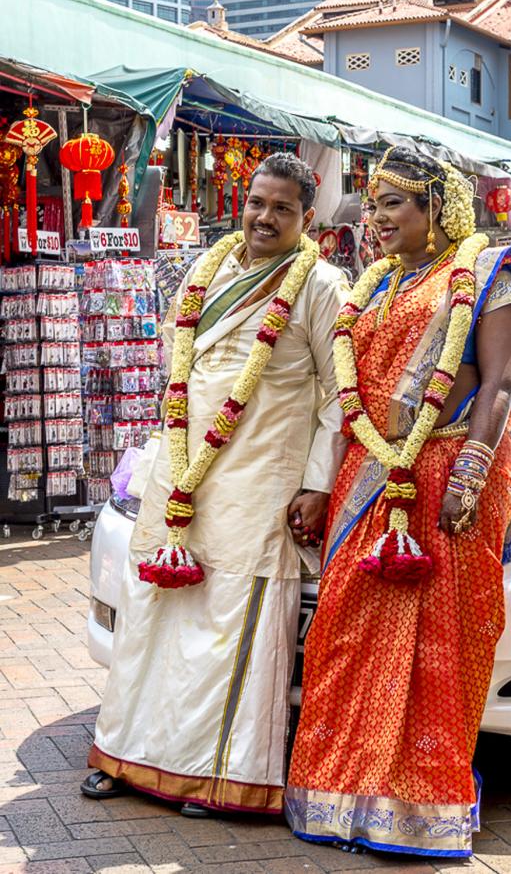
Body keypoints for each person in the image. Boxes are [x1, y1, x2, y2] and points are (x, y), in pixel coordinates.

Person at [285, 146, 511, 861]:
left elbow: (499, 384)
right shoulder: (377, 284)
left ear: (437, 206)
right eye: (372, 204)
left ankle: (418, 812)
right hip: (371, 476)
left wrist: (471, 471)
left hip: (448, 472)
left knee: (437, 647)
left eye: (392, 203)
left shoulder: (487, 273)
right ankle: (339, 802)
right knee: (344, 636)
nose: (376, 217)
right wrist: (324, 484)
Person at [81, 152, 347, 817]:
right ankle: (123, 752)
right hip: (182, 471)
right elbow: (181, 367)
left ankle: (217, 776)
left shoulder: (321, 285)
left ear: (307, 217)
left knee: (230, 624)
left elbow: (337, 396)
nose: (265, 217)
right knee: (152, 613)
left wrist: (318, 484)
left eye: (282, 208)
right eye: (257, 202)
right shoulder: (209, 267)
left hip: (260, 477)